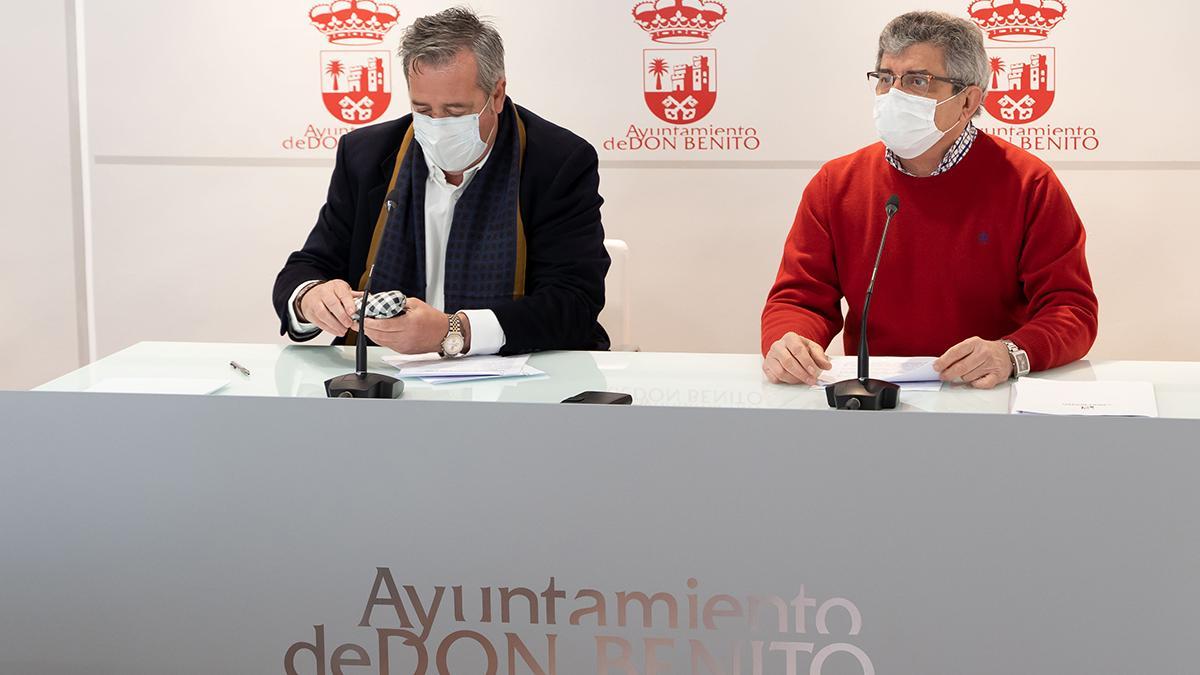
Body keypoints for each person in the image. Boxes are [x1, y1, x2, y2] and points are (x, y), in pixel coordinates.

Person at [761, 11, 1098, 389]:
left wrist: (1012, 352)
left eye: (918, 81)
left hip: (986, 396)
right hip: (874, 398)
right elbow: (798, 300)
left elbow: (1072, 310)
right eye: (886, 79)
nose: (894, 95)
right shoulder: (836, 183)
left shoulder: (1029, 183)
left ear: (968, 101)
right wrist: (788, 340)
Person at [273, 7, 610, 357]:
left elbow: (574, 303)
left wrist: (454, 331)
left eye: (454, 111)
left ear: (496, 94)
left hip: (518, 379)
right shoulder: (367, 155)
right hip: (387, 374)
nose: (437, 125)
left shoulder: (557, 160)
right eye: (423, 109)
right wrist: (310, 298)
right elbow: (304, 269)